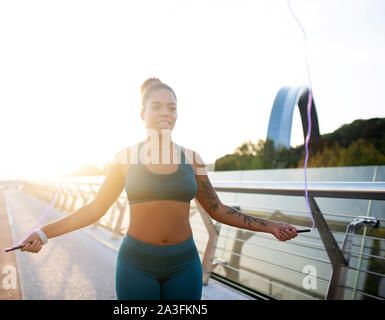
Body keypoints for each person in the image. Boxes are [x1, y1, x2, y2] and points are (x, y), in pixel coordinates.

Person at [18, 77, 298, 300]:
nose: (166, 112)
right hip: (136, 264)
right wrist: (44, 233)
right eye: (156, 106)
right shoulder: (125, 158)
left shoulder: (192, 158)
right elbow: (95, 209)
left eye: (172, 107)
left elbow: (219, 210)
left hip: (185, 265)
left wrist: (271, 226)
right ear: (142, 113)